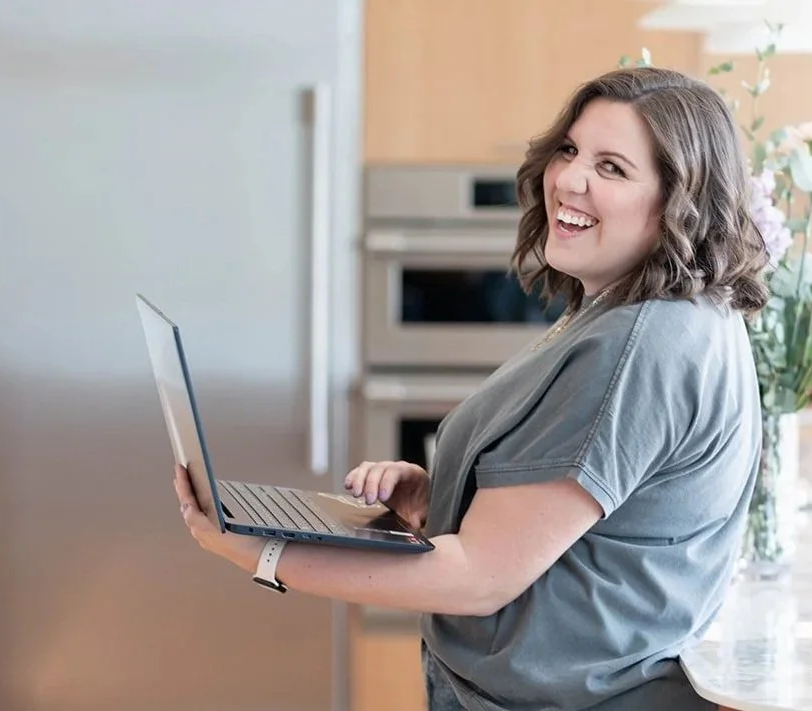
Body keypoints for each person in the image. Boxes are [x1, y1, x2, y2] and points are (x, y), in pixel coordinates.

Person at [173, 65, 769, 710]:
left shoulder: (636, 346)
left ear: (681, 200)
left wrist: (260, 552)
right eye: (569, 150)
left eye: (613, 168)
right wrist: (444, 501)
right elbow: (582, 531)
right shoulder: (654, 318)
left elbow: (480, 579)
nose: (569, 179)